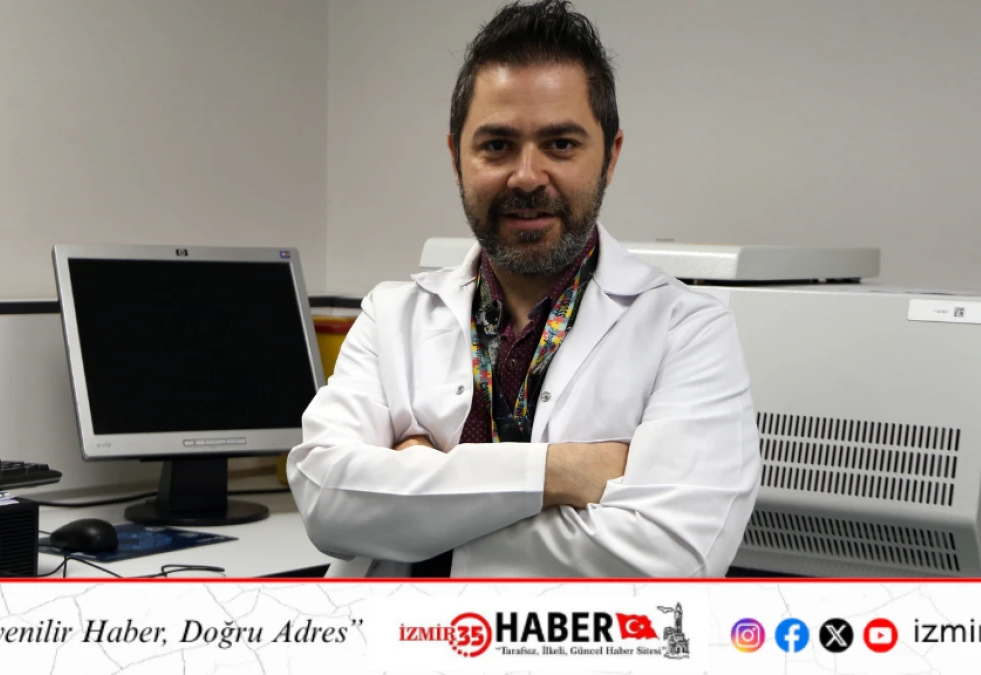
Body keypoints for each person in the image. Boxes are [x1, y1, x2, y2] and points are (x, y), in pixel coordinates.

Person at [288, 0, 761, 577]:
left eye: (561, 144)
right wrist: (561, 473)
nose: (528, 176)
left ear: (609, 157)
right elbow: (326, 504)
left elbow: (669, 559)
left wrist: (419, 494)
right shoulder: (392, 316)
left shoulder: (687, 332)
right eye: (497, 145)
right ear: (456, 158)